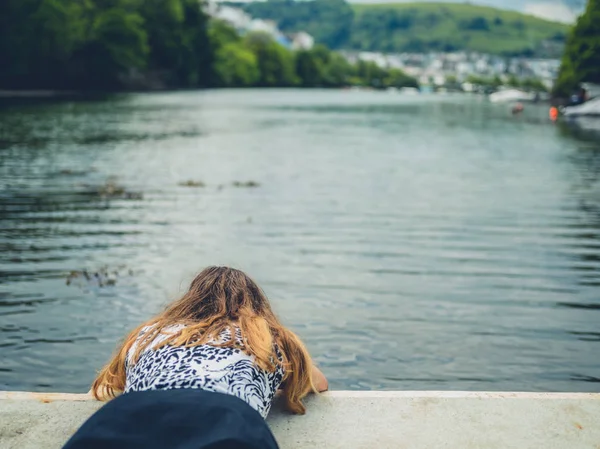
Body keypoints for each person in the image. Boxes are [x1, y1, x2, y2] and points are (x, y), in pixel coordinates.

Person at [64, 266, 328, 449]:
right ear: (256, 303)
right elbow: (317, 383)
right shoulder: (268, 335)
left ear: (190, 298)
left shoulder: (150, 333)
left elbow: (114, 381)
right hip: (226, 419)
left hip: (127, 414)